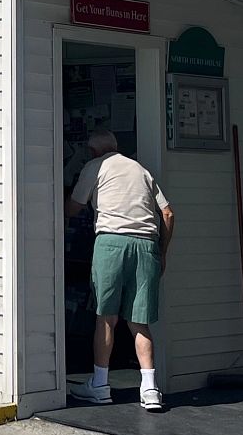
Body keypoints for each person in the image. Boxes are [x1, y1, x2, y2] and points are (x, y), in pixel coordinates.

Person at [66, 133, 173, 410]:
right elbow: (168, 214)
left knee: (106, 317)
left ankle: (100, 385)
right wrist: (161, 253)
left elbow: (73, 208)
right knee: (139, 321)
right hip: (146, 244)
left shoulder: (95, 167)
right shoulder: (140, 169)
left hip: (111, 242)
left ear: (93, 150)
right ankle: (150, 389)